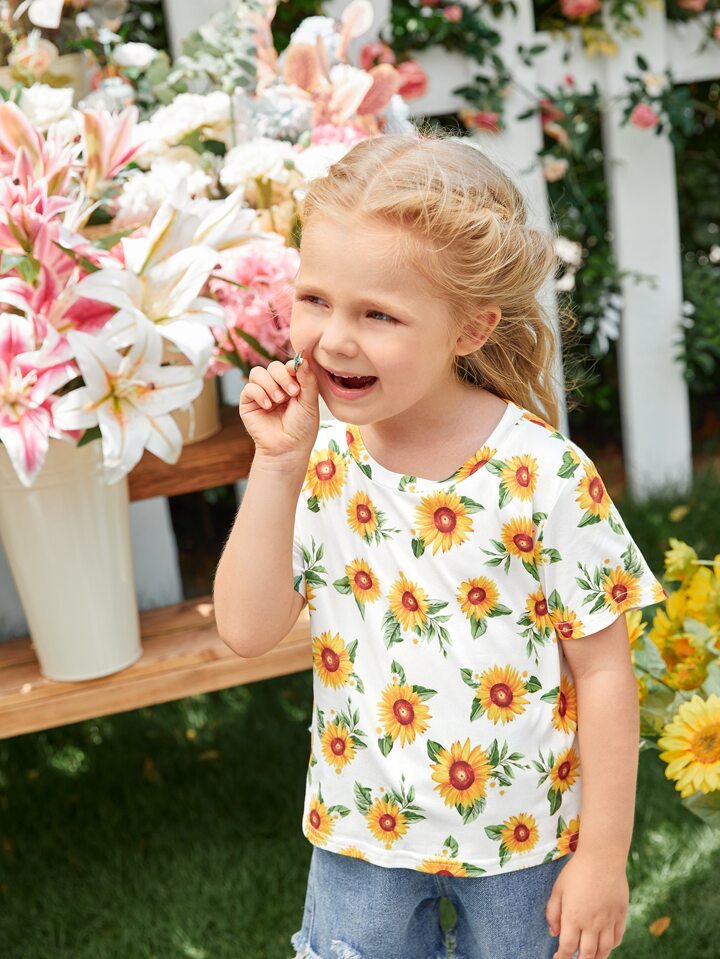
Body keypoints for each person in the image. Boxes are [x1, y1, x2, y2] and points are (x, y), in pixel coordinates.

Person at [213, 132, 669, 959]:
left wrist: (603, 856)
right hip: (361, 833)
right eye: (315, 299)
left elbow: (604, 672)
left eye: (377, 314)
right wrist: (275, 465)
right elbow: (246, 629)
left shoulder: (544, 475)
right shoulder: (316, 456)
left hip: (526, 841)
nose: (334, 339)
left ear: (469, 328)